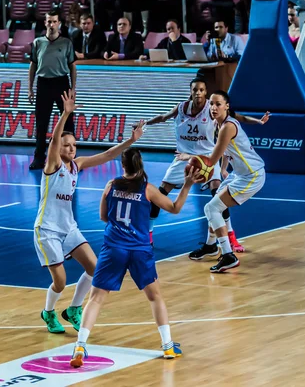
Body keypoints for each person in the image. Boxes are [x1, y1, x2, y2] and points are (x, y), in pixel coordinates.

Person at [69, 148, 204, 367]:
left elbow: (104, 216)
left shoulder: (111, 186)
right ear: (140, 164)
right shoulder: (148, 189)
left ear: (122, 166)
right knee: (155, 297)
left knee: (95, 299)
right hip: (139, 249)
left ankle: (80, 345)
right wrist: (187, 184)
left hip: (113, 248)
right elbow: (176, 208)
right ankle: (168, 345)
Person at [34, 89, 145, 333]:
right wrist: (65, 113)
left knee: (95, 269)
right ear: (59, 148)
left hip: (68, 227)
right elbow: (53, 141)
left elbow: (107, 155)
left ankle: (74, 309)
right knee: (60, 282)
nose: (72, 148)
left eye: (74, 145)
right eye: (67, 145)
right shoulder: (52, 165)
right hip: (47, 229)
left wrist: (131, 141)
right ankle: (48, 312)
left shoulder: (77, 164)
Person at [144, 77, 269, 253]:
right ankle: (148, 236)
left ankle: (229, 242)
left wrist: (258, 121)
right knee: (160, 194)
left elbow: (230, 130)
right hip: (184, 159)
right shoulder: (184, 108)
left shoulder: (220, 118)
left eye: (202, 90)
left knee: (216, 201)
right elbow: (163, 117)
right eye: (195, 90)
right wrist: (145, 123)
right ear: (191, 91)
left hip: (207, 159)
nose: (198, 93)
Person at [177, 90, 268, 273]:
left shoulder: (227, 126)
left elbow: (211, 160)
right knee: (215, 204)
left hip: (252, 175)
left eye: (218, 104)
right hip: (240, 174)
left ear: (227, 106)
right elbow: (227, 152)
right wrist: (225, 169)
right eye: (211, 103)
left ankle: (228, 255)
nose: (213, 107)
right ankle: (211, 246)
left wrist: (189, 156)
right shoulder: (219, 125)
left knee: (211, 208)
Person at [28, 8, 76, 170]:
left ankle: (70, 157)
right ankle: (39, 157)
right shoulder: (37, 43)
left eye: (54, 21)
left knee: (68, 121)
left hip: (61, 83)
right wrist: (30, 88)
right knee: (41, 123)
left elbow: (73, 67)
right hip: (43, 83)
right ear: (45, 22)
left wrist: (73, 88)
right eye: (49, 21)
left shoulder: (66, 43)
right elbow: (33, 65)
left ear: (59, 24)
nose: (51, 24)